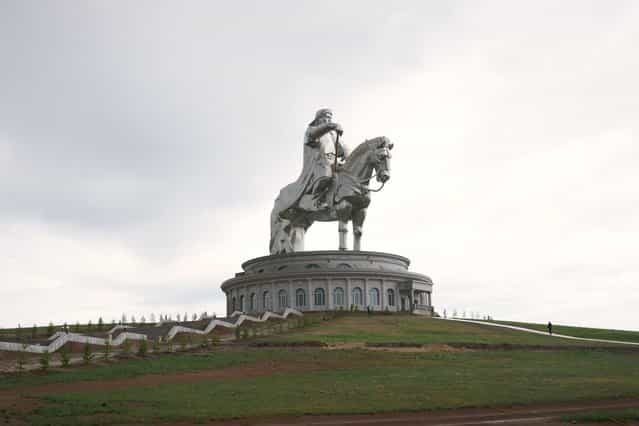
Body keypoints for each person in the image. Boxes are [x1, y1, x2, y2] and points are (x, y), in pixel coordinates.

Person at [301, 108, 349, 209]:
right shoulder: (312, 129)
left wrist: (348, 155)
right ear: (318, 119)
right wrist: (331, 126)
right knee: (326, 175)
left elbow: (343, 147)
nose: (328, 120)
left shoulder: (333, 134)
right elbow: (313, 135)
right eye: (326, 117)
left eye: (330, 118)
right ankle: (315, 200)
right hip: (319, 162)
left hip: (334, 162)